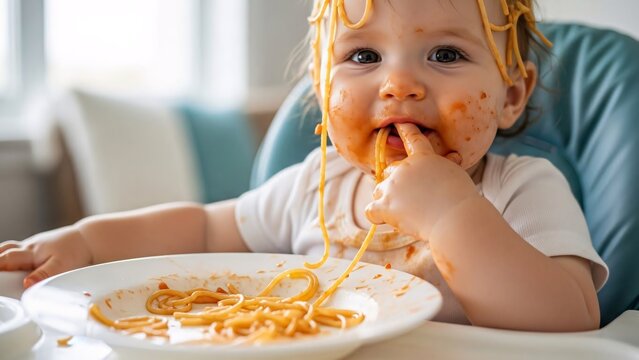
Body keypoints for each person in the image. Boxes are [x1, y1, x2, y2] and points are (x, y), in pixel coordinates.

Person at [0, 0, 607, 332]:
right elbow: (203, 229)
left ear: (512, 95)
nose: (397, 85)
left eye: (445, 54)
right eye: (363, 55)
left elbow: (573, 316)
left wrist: (452, 214)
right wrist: (89, 240)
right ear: (321, 90)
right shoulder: (316, 188)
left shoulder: (521, 188)